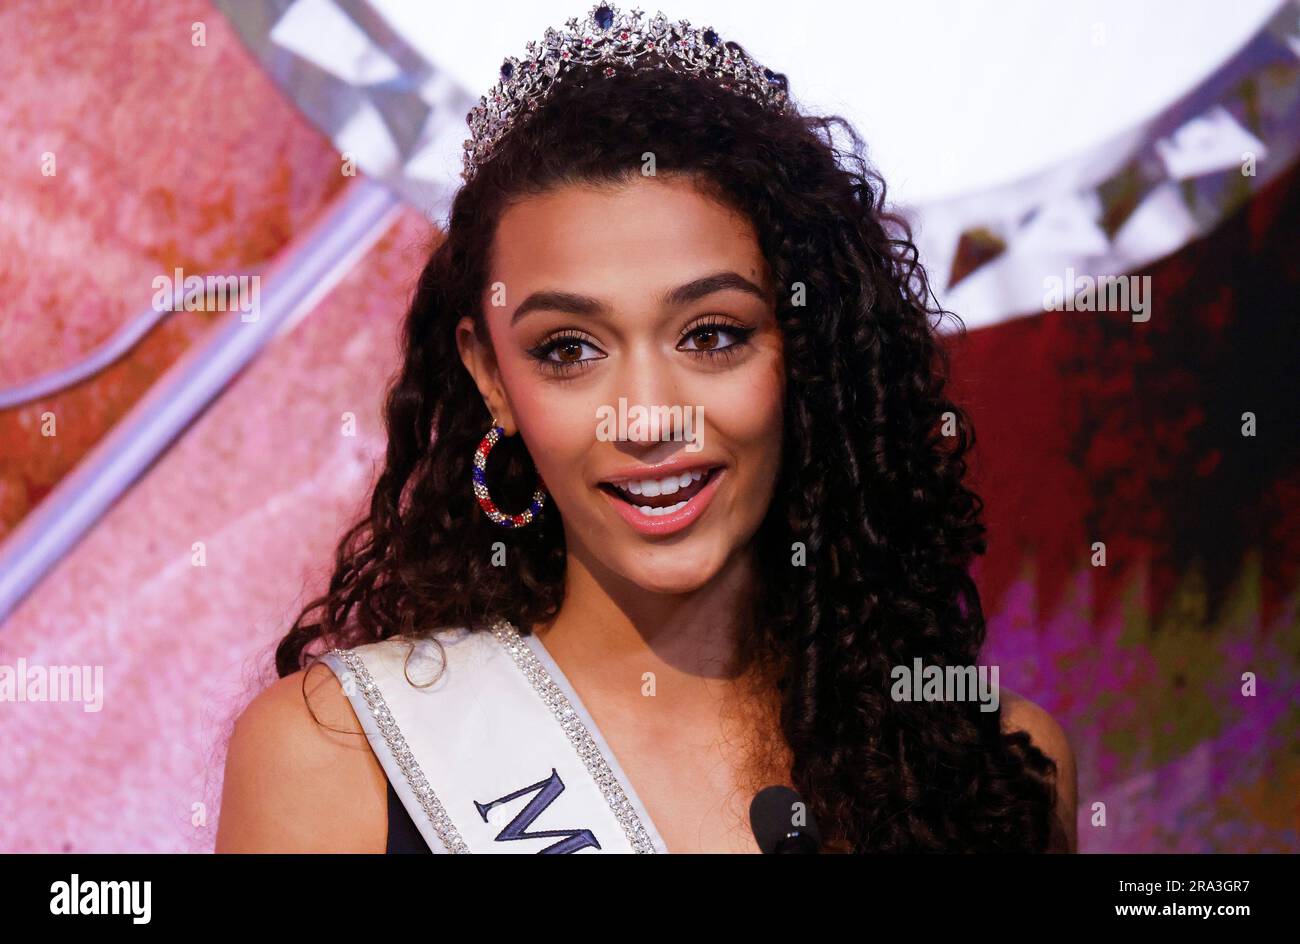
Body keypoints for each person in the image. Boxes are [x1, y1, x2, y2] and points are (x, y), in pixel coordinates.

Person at [216, 3, 1077, 854]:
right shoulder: (338, 760)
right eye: (568, 349)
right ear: (492, 377)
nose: (648, 416)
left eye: (712, 335)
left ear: (801, 349)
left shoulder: (991, 769)